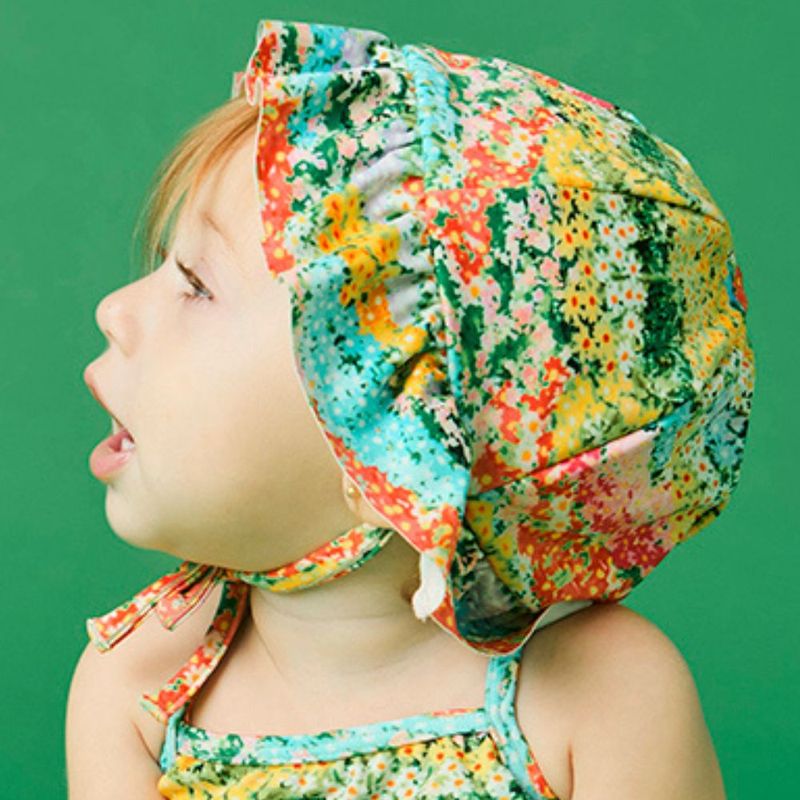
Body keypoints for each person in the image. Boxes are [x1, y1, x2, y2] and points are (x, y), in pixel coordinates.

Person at [65, 18, 755, 800]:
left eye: (196, 283)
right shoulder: (140, 691)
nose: (114, 310)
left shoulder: (600, 699)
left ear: (395, 435)